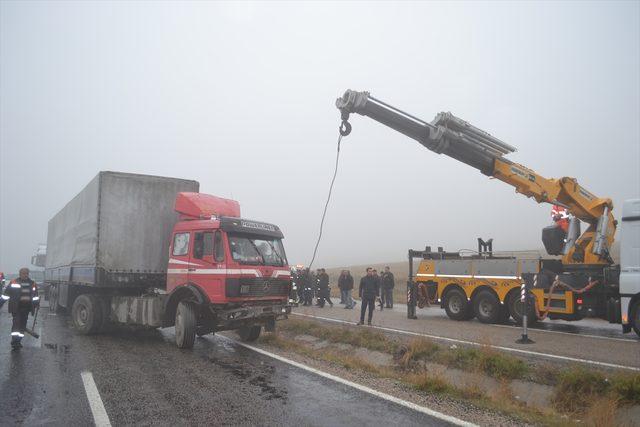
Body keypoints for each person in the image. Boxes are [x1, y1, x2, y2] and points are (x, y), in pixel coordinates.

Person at [0, 267, 39, 350]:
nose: (25, 275)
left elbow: (35, 295)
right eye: (23, 273)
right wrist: (1, 303)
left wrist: (36, 304)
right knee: (16, 324)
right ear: (20, 274)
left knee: (22, 325)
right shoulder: (14, 282)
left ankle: (18, 341)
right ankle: (14, 342)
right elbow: (6, 294)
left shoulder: (32, 283)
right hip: (16, 307)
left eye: (26, 273)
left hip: (27, 308)